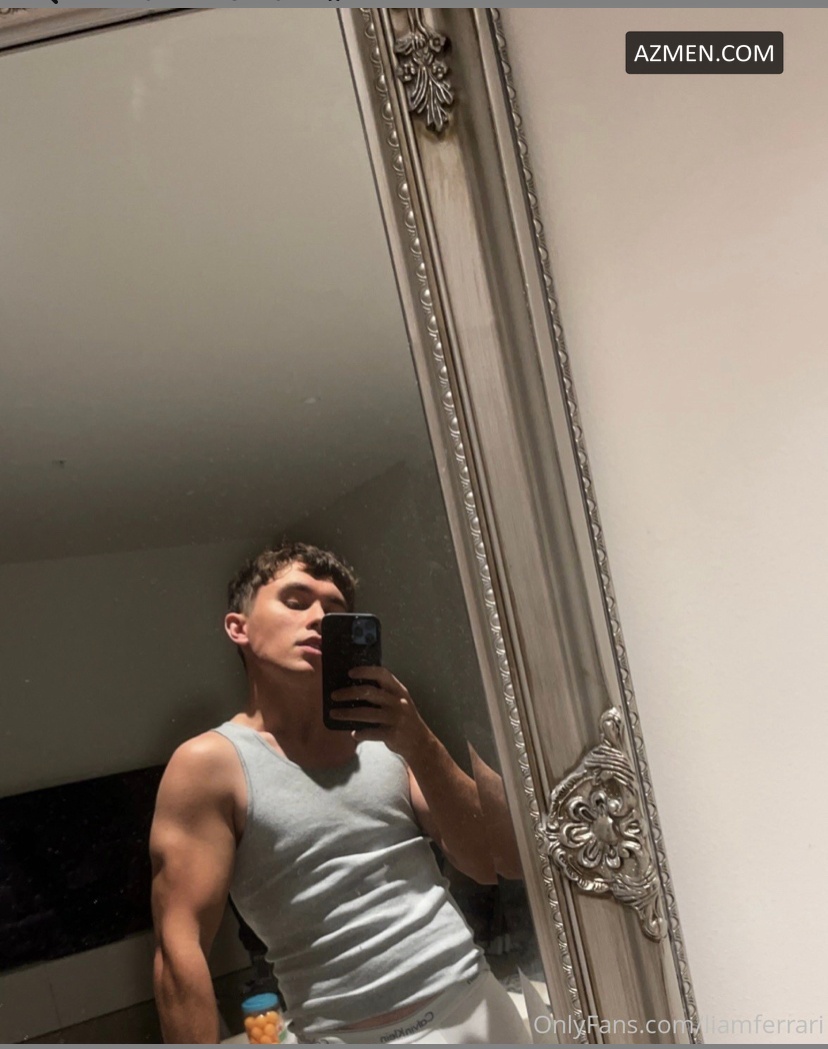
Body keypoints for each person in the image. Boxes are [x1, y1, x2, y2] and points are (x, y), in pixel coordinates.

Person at [150, 542, 532, 1044]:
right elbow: (180, 951)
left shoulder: (388, 737)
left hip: (475, 1008)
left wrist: (419, 741)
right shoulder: (211, 765)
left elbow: (490, 862)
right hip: (343, 1036)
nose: (318, 620)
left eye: (335, 612)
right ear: (238, 628)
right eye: (295, 601)